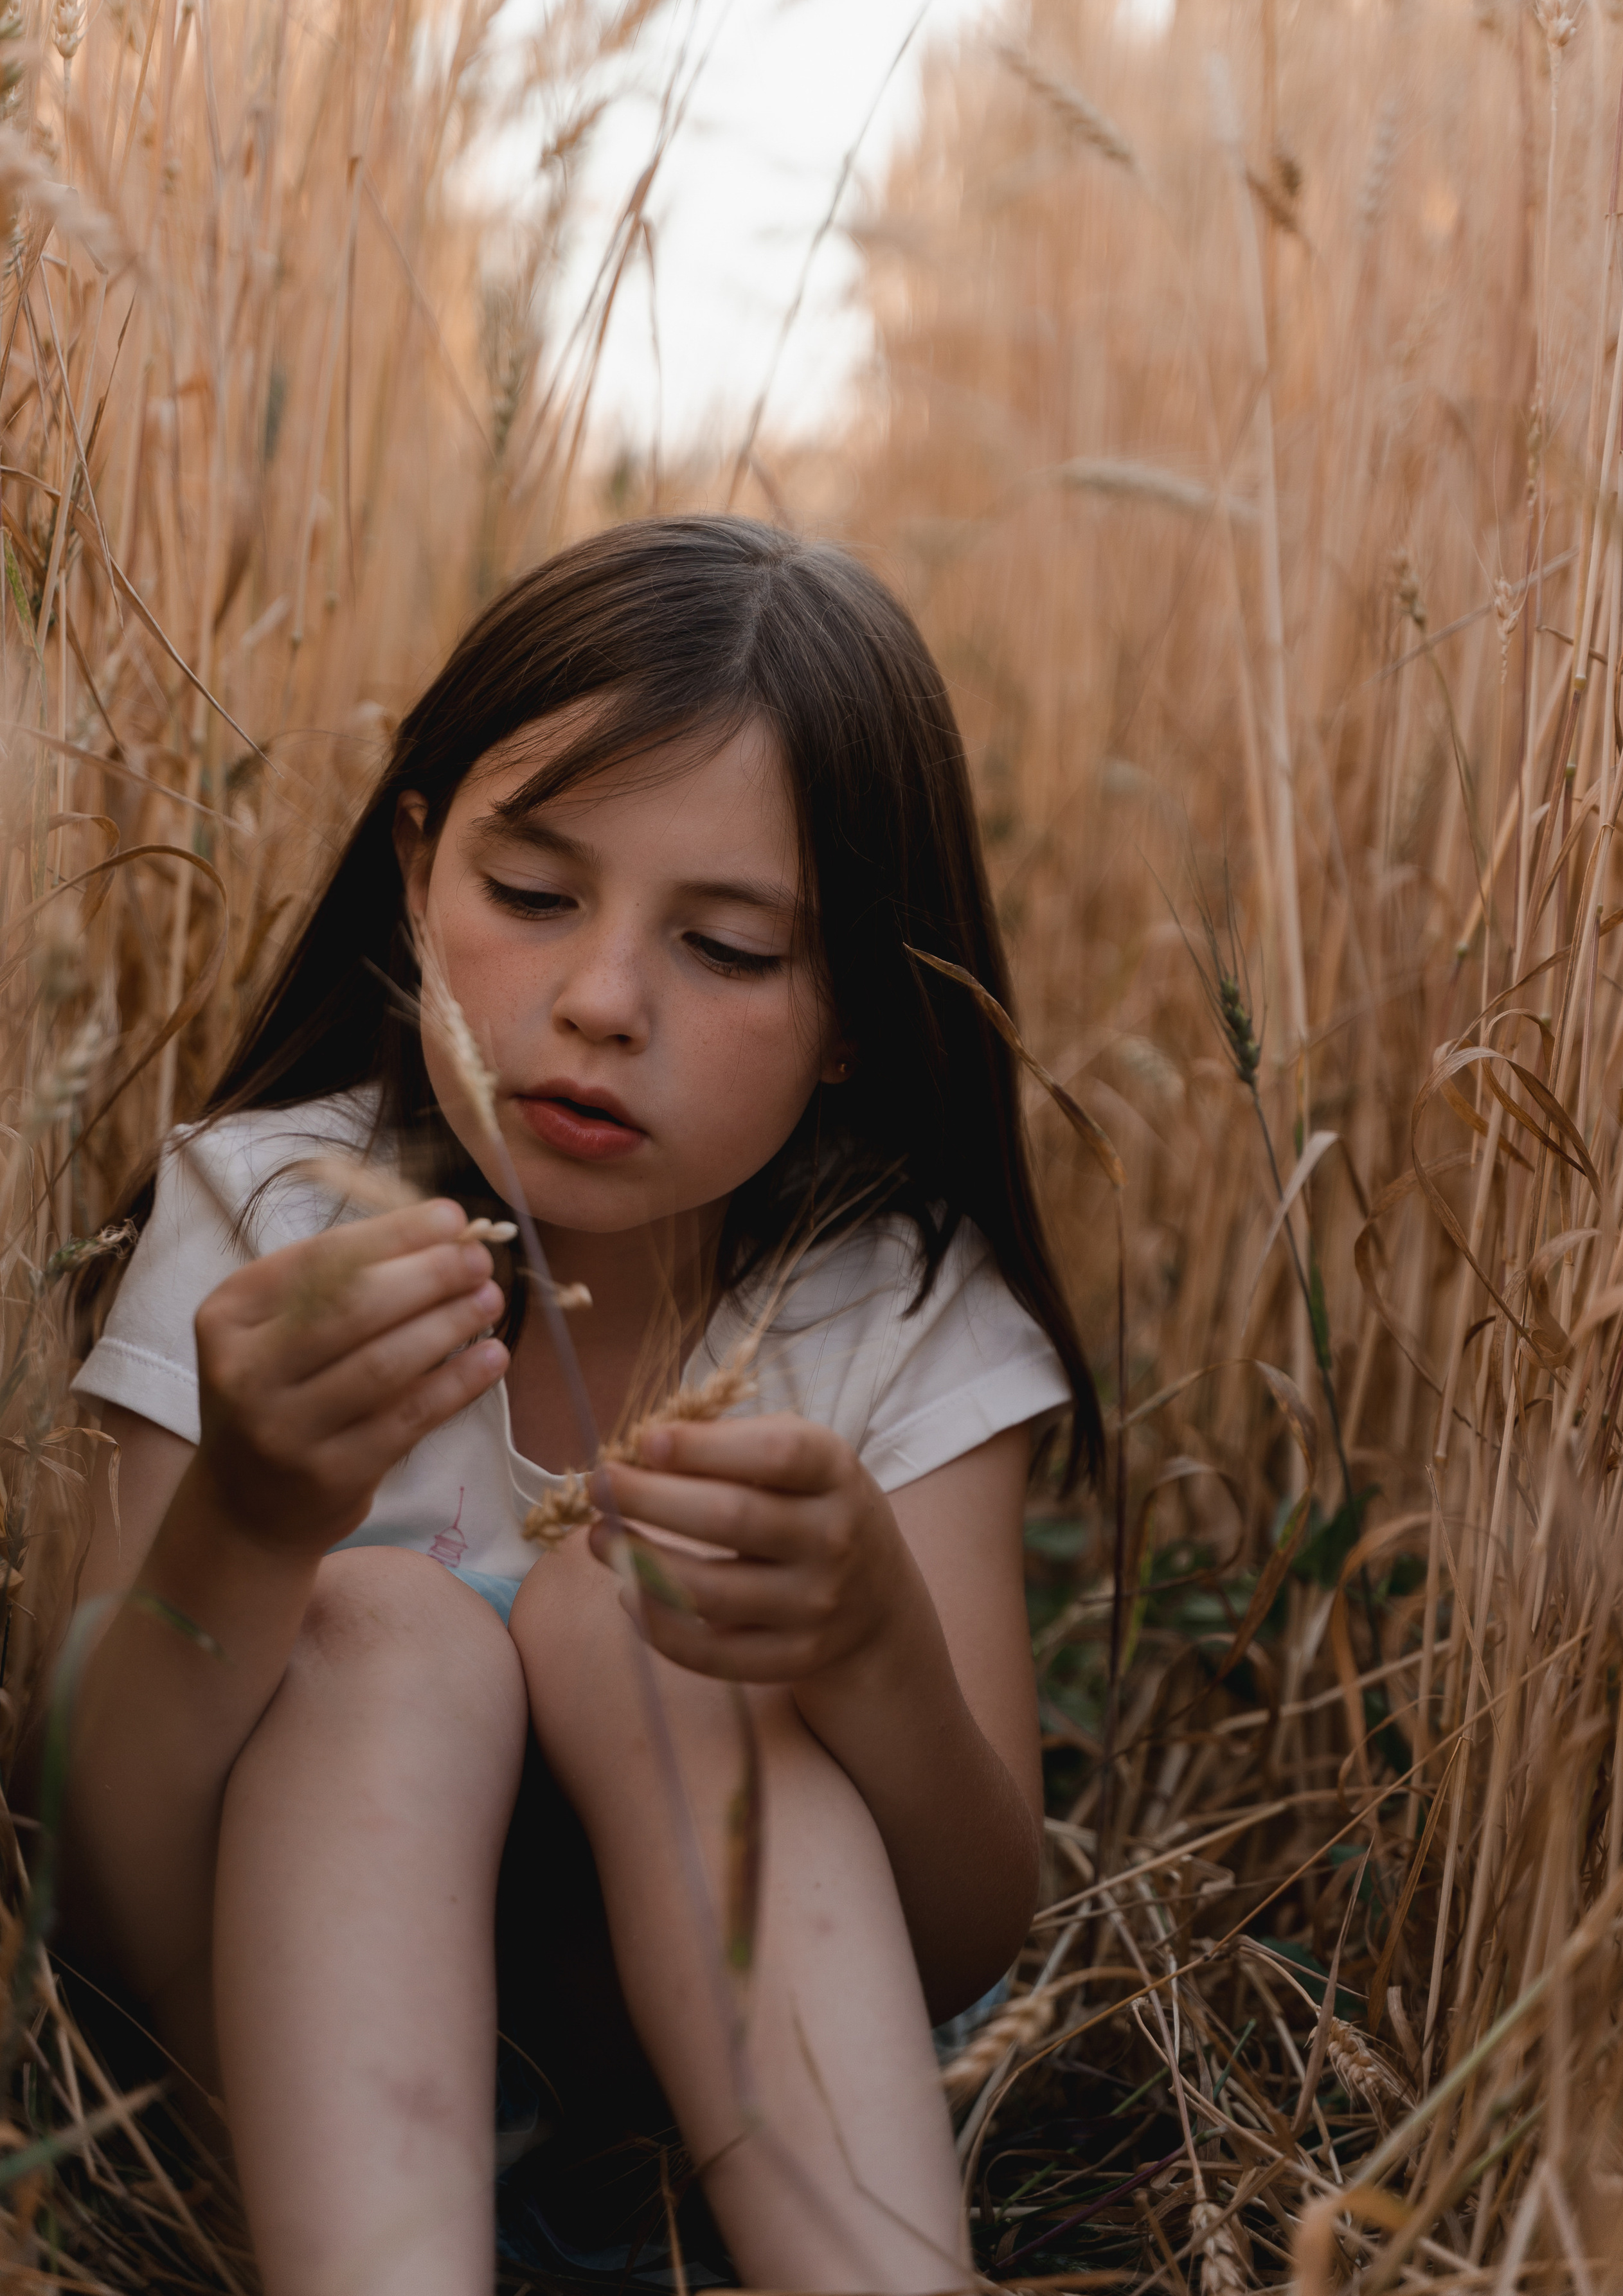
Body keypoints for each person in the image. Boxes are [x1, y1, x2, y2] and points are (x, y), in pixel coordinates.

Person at [58, 516, 1100, 2296]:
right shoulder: (261, 1227)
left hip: (711, 2153)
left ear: (854, 1007)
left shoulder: (899, 1307)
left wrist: (869, 1653)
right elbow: (100, 1878)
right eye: (532, 899)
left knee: (648, 1620)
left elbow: (965, 1934)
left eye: (733, 950)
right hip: (293, 2101)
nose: (602, 1003)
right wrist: (248, 1517)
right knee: (379, 1631)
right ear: (416, 869)